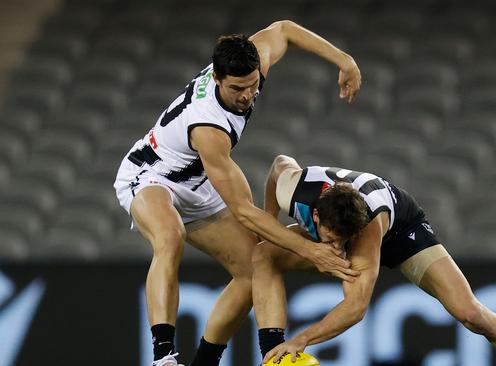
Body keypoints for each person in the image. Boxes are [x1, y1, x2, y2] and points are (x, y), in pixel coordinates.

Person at [113, 21, 362, 366]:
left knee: (255, 268)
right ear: (216, 79)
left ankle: (205, 361)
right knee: (170, 236)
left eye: (252, 85)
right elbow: (245, 211)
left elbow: (285, 29)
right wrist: (311, 250)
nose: (246, 95)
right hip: (150, 174)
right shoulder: (209, 128)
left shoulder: (251, 63)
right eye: (236, 89)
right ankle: (163, 357)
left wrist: (344, 59)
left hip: (198, 179)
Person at [252, 155, 496, 366]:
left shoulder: (365, 228)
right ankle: (273, 359)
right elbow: (279, 165)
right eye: (330, 239)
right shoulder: (294, 190)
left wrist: (301, 340)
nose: (337, 247)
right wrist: (269, 221)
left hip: (401, 230)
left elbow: (355, 308)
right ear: (314, 216)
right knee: (264, 253)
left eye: (343, 241)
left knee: (470, 313)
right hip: (347, 217)